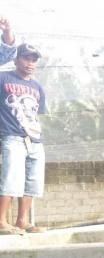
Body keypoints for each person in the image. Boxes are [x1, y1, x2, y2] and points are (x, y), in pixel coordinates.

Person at [0, 43, 46, 235]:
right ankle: (1, 222)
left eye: (34, 59)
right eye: (26, 58)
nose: (30, 63)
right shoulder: (4, 78)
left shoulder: (37, 87)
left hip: (34, 139)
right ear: (17, 59)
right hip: (11, 136)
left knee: (32, 182)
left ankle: (22, 221)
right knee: (11, 178)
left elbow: (37, 113)